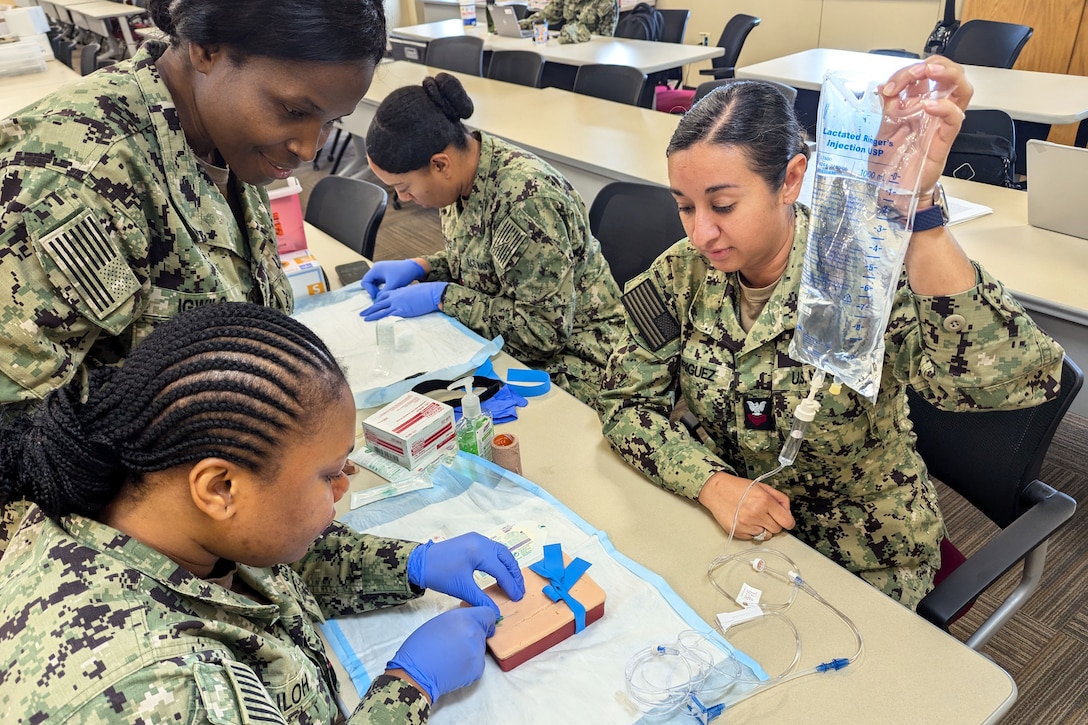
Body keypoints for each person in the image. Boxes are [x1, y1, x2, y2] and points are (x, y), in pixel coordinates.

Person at [598, 60, 1066, 609]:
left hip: (860, 550)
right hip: (734, 524)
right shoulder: (686, 272)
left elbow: (1014, 383)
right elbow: (623, 400)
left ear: (792, 179)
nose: (702, 231)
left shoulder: (860, 270)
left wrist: (914, 213)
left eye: (723, 205)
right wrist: (709, 482)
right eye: (685, 207)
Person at [0, 301, 526, 723]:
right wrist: (409, 688)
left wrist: (412, 564)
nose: (345, 486)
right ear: (220, 486)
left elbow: (272, 561)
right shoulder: (159, 693)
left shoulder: (147, 503)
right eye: (329, 474)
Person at [0, 0, 386, 556]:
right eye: (293, 111)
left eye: (330, 122)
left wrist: (382, 564)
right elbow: (25, 468)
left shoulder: (224, 140)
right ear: (207, 50)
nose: (308, 148)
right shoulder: (70, 182)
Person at [361, 72, 625, 409]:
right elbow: (486, 257)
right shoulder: (463, 174)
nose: (406, 198)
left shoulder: (528, 203)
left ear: (440, 164)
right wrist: (424, 266)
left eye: (404, 187)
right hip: (510, 340)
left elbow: (542, 334)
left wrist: (442, 296)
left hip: (580, 358)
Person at [521, 0, 620, 37]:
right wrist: (521, 24)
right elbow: (548, 14)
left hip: (591, 55)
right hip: (567, 48)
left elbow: (605, 38)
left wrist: (572, 36)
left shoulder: (608, 2)